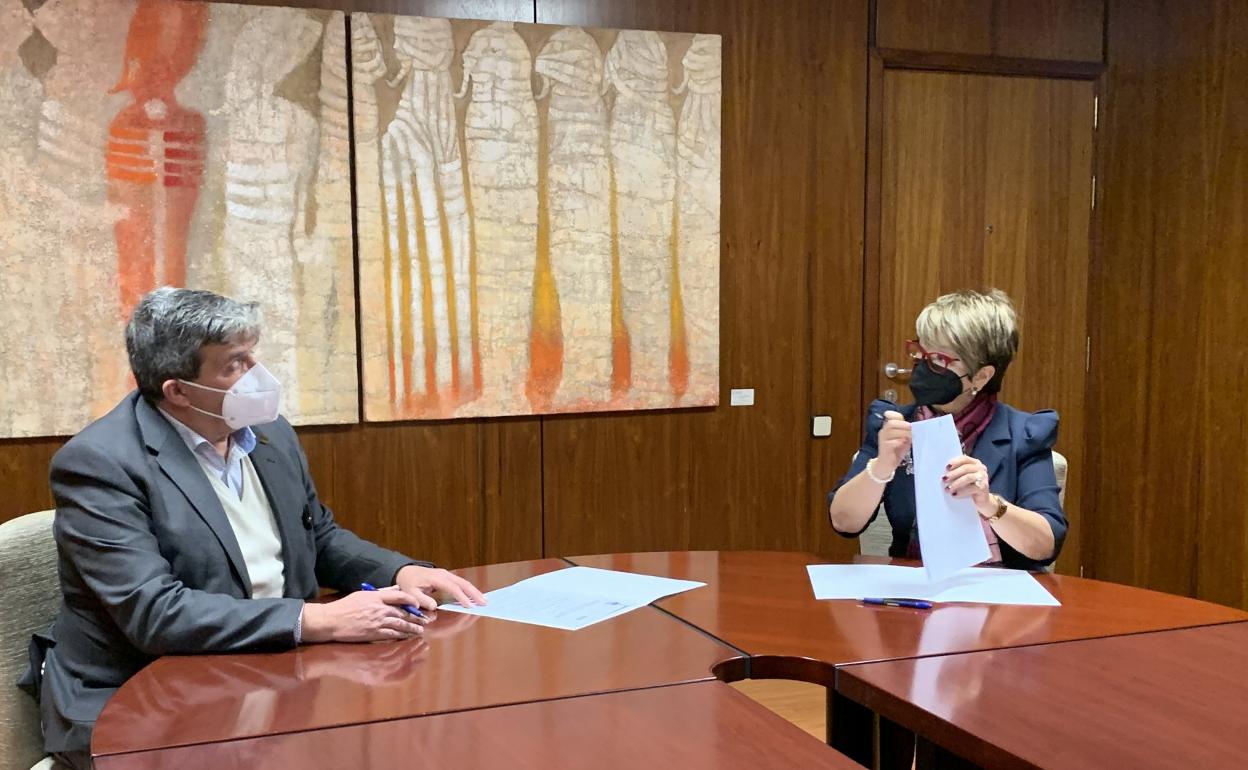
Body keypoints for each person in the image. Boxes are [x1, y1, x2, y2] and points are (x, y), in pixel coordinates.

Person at [22, 287, 487, 768]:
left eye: (251, 356)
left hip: (264, 672)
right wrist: (316, 620)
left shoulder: (270, 433)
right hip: (138, 693)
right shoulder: (100, 464)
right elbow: (155, 613)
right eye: (233, 364)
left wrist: (399, 571)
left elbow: (319, 536)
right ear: (177, 390)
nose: (256, 376)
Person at [828, 288, 1066, 570]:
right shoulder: (893, 424)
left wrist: (989, 504)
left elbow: (1046, 544)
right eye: (920, 352)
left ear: (980, 376)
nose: (922, 366)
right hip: (913, 590)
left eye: (939, 360)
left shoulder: (1024, 434)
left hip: (1000, 597)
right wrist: (880, 467)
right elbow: (843, 523)